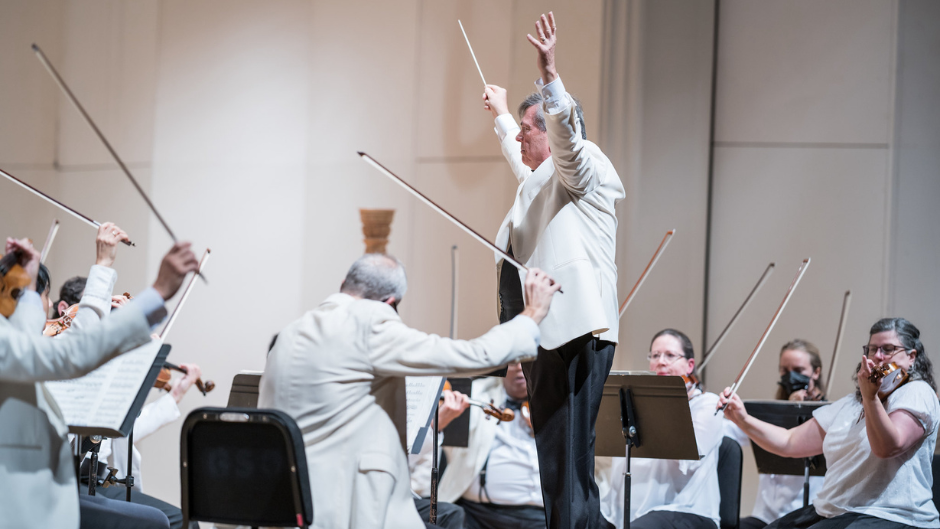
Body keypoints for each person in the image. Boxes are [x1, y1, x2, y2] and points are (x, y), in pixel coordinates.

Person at [257, 253, 560, 529]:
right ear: (391, 304)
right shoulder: (369, 320)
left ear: (343, 285)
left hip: (282, 498)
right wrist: (531, 314)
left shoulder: (291, 331)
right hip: (345, 502)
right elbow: (474, 355)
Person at [482, 11, 625, 528]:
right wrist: (502, 115)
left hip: (574, 330)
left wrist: (550, 74)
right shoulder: (542, 183)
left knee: (567, 462)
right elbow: (525, 163)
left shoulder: (584, 166)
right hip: (544, 333)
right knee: (557, 462)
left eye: (526, 130)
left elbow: (563, 142)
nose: (520, 139)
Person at [0, 235, 199, 529]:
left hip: (46, 490)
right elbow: (74, 352)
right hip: (23, 503)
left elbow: (25, 333)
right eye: (44, 295)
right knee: (155, 522)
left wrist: (27, 286)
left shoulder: (17, 342)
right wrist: (157, 292)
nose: (48, 303)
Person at [718, 318, 940, 529]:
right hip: (834, 511)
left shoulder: (917, 391)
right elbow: (789, 442)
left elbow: (887, 447)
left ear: (911, 357)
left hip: (889, 515)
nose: (879, 356)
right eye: (873, 349)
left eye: (889, 349)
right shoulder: (850, 404)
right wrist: (742, 419)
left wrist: (870, 398)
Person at [598, 329, 723, 529]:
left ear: (690, 365)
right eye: (655, 355)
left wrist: (669, 402)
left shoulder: (707, 404)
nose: (661, 361)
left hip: (685, 511)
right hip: (628, 514)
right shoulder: (635, 403)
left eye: (670, 356)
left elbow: (690, 458)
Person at [726, 340, 827, 529]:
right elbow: (732, 431)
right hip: (765, 515)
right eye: (785, 370)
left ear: (816, 372)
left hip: (807, 514)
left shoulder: (827, 416)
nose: (791, 376)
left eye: (798, 369)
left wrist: (799, 410)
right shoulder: (769, 414)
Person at [436, 361, 545, 529]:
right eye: (514, 361)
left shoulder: (556, 401)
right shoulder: (480, 394)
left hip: (542, 516)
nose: (519, 367)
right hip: (479, 514)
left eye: (529, 362)